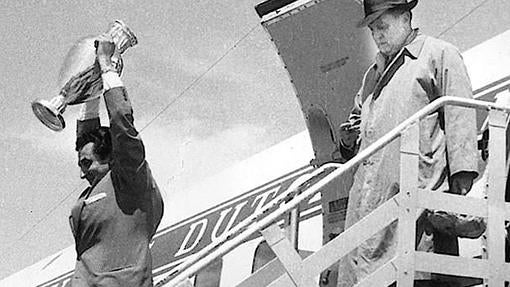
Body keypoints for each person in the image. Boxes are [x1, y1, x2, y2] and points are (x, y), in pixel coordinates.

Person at [336, 0, 484, 286]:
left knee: (415, 272)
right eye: (373, 30)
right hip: (368, 207)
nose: (377, 35)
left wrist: (462, 181)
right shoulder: (372, 75)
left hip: (414, 207)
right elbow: (357, 124)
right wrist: (347, 139)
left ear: (405, 18)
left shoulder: (439, 54)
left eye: (383, 26)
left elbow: (460, 118)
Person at [67, 35, 164, 286]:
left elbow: (121, 119)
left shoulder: (130, 180)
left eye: (87, 164)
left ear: (112, 157)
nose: (82, 173)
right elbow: (87, 133)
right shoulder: (94, 191)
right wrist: (92, 82)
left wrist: (107, 67)